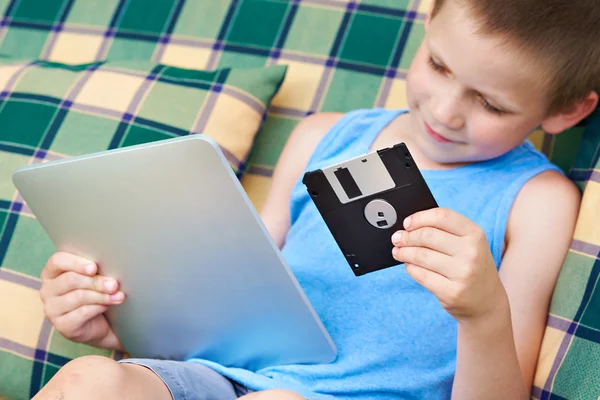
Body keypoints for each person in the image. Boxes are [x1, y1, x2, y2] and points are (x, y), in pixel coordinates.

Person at [33, 0, 600, 399]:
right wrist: (117, 322)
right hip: (225, 374)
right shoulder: (323, 137)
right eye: (438, 65)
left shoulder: (536, 200)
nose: (446, 110)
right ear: (428, 23)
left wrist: (481, 310)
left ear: (566, 112)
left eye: (491, 104)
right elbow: (235, 291)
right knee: (90, 382)